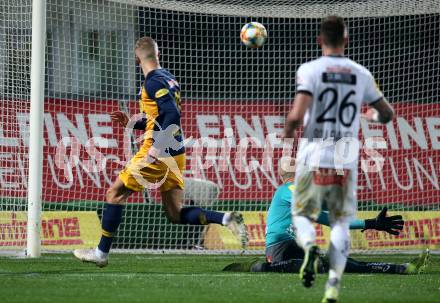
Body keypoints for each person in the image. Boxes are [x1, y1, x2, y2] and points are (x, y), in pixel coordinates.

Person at [74, 37, 247, 267]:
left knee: (114, 194)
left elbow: (172, 116)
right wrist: (130, 123)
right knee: (174, 214)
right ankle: (225, 218)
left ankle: (101, 253)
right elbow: (158, 118)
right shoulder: (168, 78)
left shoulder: (153, 82)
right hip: (175, 152)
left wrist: (154, 150)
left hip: (158, 151)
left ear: (137, 59)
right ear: (159, 53)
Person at [283, 16, 396, 302]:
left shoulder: (309, 70)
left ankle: (309, 246)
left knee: (301, 215)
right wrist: (368, 115)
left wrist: (287, 136)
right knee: (340, 224)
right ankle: (332, 286)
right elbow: (387, 114)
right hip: (344, 159)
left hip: (312, 155)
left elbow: (297, 115)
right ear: (346, 41)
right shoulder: (361, 73)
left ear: (320, 40)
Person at [223, 162, 430, 275]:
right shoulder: (287, 189)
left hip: (292, 247)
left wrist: (371, 223)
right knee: (322, 264)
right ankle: (261, 267)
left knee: (340, 263)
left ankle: (401, 268)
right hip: (281, 247)